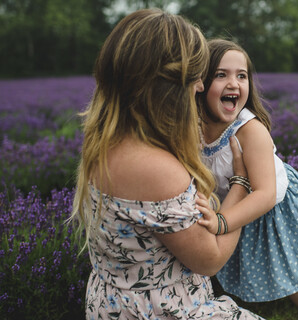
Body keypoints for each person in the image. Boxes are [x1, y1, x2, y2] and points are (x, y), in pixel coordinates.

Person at [68, 9, 265, 320]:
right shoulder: (154, 167)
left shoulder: (109, 140)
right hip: (163, 310)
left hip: (114, 303)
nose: (200, 87)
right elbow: (209, 260)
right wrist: (241, 184)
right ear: (166, 87)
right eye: (195, 77)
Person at [196, 39, 298, 320]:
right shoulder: (196, 128)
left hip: (278, 205)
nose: (234, 83)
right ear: (199, 83)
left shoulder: (250, 130)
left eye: (242, 75)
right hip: (242, 210)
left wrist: (223, 222)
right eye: (221, 74)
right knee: (285, 270)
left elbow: (264, 194)